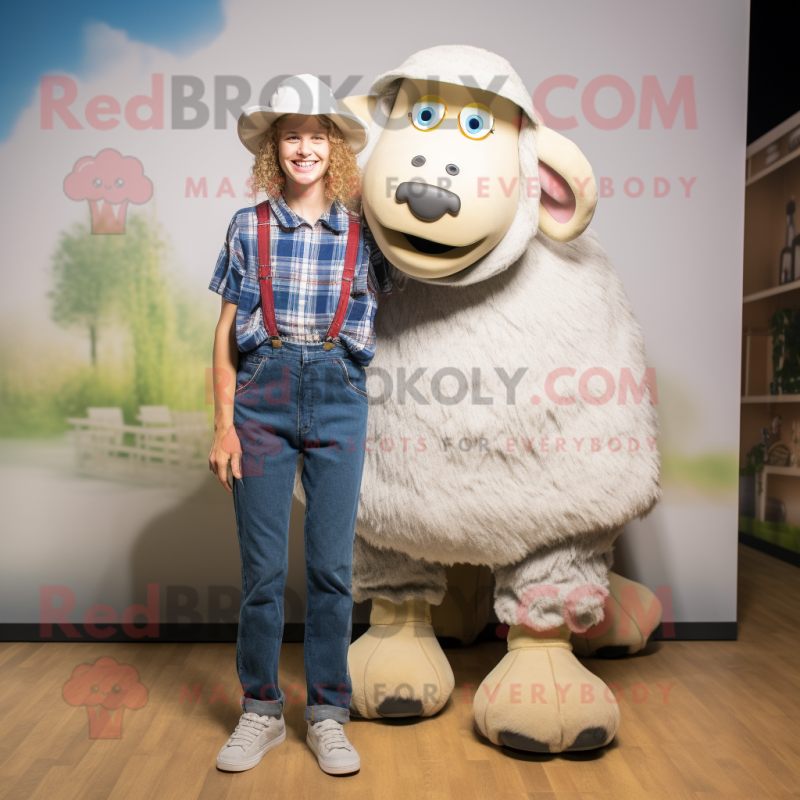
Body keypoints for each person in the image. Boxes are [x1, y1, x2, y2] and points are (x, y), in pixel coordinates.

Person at [207, 74, 392, 776]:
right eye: (292, 136)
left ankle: (327, 714)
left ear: (335, 149)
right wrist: (224, 425)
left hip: (341, 394)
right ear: (274, 150)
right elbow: (224, 334)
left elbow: (430, 263)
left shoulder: (363, 230)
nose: (305, 147)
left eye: (318, 136)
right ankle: (260, 711)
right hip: (262, 392)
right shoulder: (247, 225)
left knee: (331, 570)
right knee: (261, 573)